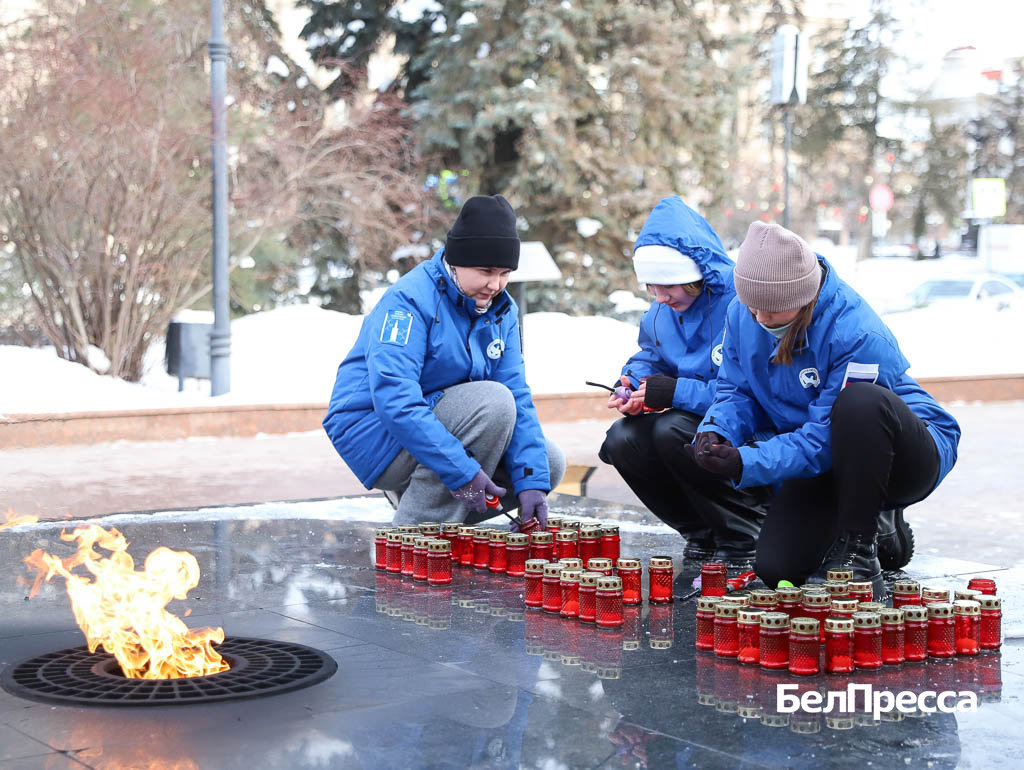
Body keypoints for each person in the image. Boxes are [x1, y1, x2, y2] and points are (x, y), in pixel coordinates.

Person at [684, 221, 961, 595]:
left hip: (901, 453)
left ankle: (860, 551)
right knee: (778, 566)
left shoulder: (858, 333)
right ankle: (882, 528)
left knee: (859, 402)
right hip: (828, 459)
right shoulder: (742, 313)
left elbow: (827, 438)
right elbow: (735, 390)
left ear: (802, 297)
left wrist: (745, 462)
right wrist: (717, 430)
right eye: (753, 307)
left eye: (773, 309)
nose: (760, 319)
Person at [323, 195, 565, 527]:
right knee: (493, 404)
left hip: (441, 419)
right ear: (457, 261)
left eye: (505, 273)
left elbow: (517, 394)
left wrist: (533, 482)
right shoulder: (407, 302)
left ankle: (424, 495)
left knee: (546, 463)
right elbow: (394, 398)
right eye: (485, 271)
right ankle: (416, 534)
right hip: (374, 431)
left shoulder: (501, 310)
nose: (495, 285)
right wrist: (464, 474)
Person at [598, 197, 767, 566]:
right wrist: (632, 381)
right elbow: (651, 355)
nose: (659, 297)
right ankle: (700, 532)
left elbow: (747, 394)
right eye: (651, 287)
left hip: (744, 425)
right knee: (622, 439)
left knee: (672, 430)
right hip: (691, 415)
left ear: (693, 275)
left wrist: (674, 392)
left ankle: (745, 532)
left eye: (667, 286)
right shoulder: (662, 310)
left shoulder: (742, 304)